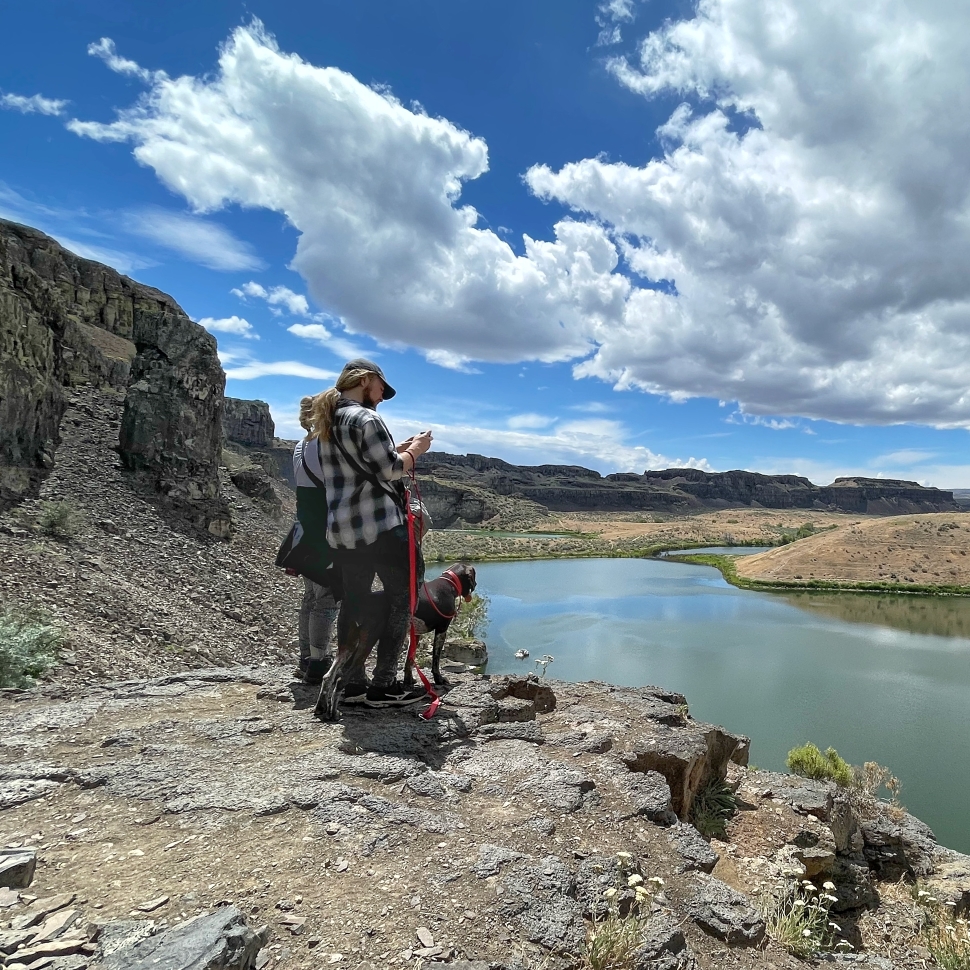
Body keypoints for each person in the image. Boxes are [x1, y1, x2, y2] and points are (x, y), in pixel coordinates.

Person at [306, 359, 433, 712]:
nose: (382, 396)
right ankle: (385, 686)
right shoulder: (367, 419)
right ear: (365, 380)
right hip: (381, 528)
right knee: (402, 599)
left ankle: (353, 683)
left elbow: (366, 466)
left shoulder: (327, 421)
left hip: (344, 532)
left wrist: (401, 447)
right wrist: (417, 450)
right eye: (380, 388)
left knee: (355, 601)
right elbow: (391, 469)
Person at [291, 395, 349, 687]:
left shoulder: (300, 446)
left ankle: (306, 660)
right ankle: (318, 663)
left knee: (311, 599)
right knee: (326, 602)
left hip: (305, 531)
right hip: (326, 532)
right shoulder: (327, 445)